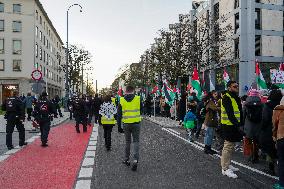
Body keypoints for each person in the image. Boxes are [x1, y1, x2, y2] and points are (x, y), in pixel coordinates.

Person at [220, 81, 243, 179]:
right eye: (234, 86)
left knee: (231, 146)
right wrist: (238, 125)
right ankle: (225, 168)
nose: (237, 87)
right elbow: (230, 113)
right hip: (228, 125)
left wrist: (241, 124)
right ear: (229, 87)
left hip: (234, 125)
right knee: (228, 146)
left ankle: (228, 164)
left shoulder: (235, 97)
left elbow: (239, 112)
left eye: (237, 86)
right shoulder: (226, 97)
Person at [117, 85, 142, 171]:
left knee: (127, 142)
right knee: (136, 141)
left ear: (126, 91)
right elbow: (141, 110)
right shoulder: (138, 99)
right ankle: (135, 160)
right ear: (133, 91)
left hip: (126, 124)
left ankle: (126, 159)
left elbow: (119, 114)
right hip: (136, 123)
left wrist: (119, 126)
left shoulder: (121, 100)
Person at [259, 89, 282, 175]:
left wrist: (262, 129)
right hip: (281, 130)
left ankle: (271, 168)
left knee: (270, 149)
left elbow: (265, 119)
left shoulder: (267, 105)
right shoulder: (282, 105)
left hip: (269, 131)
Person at [243, 89, 263, 163]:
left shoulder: (246, 104)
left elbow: (243, 115)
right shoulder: (261, 104)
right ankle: (256, 156)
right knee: (256, 141)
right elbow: (263, 116)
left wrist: (242, 125)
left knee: (248, 141)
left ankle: (250, 156)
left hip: (248, 126)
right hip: (258, 126)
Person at [272, 96, 284, 189]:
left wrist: (274, 136)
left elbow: (274, 125)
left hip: (282, 137)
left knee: (282, 161)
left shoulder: (278, 109)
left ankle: (281, 184)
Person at [203, 90, 219, 155]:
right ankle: (207, 148)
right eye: (215, 94)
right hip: (210, 120)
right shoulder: (210, 101)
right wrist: (222, 108)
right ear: (212, 94)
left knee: (209, 135)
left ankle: (207, 148)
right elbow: (214, 108)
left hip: (209, 120)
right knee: (209, 135)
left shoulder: (210, 101)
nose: (216, 95)